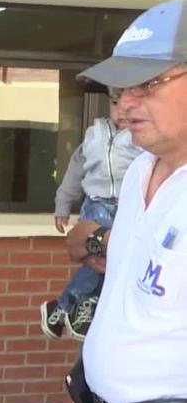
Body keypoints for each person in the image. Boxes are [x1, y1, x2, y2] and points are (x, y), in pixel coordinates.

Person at [42, 0, 187, 403]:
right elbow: (120, 304)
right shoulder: (138, 173)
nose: (124, 105)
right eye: (118, 89)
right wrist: (79, 400)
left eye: (146, 84)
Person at [40, 99, 142, 340]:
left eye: (129, 105)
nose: (123, 110)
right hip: (97, 202)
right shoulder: (94, 135)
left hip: (127, 205)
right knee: (99, 259)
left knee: (112, 261)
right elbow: (75, 170)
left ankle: (62, 306)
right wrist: (62, 204)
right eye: (116, 103)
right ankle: (82, 305)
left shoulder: (140, 136)